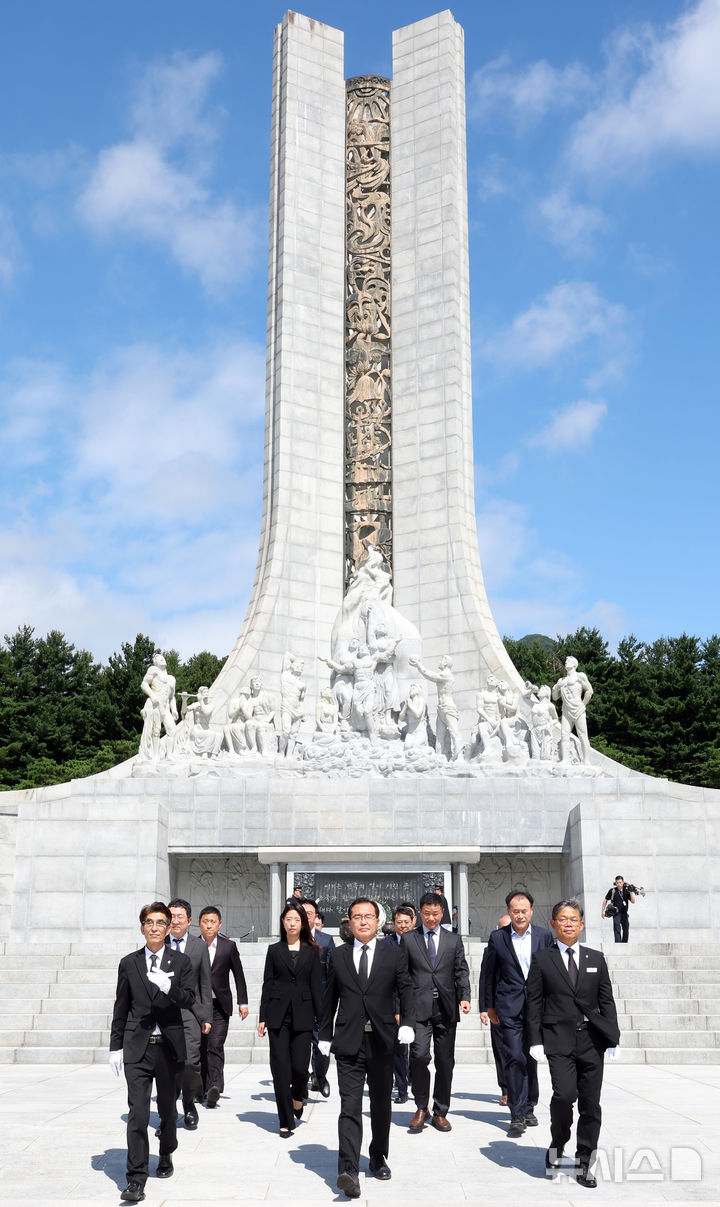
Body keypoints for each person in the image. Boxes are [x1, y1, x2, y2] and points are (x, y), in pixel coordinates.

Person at [319, 897, 414, 1198]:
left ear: (377, 921)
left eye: (368, 916)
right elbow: (329, 996)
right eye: (357, 917)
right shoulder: (339, 954)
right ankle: (348, 1168)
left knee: (381, 1103)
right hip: (349, 1040)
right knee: (349, 1106)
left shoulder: (393, 952)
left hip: (382, 1040)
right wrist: (324, 1034)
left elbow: (406, 989)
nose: (363, 921)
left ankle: (377, 1156)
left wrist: (408, 1023)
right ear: (349, 922)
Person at [527, 898, 620, 1189]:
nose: (568, 924)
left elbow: (606, 1000)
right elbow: (534, 1002)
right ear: (553, 924)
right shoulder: (543, 959)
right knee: (564, 1096)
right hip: (558, 1040)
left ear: (582, 925)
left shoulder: (596, 958)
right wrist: (535, 1040)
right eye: (563, 919)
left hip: (592, 1041)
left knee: (591, 1105)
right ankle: (558, 1142)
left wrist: (613, 1037)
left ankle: (583, 1163)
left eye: (573, 919)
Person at [109, 901, 195, 1203]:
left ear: (169, 927)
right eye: (149, 922)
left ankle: (167, 1150)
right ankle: (136, 1178)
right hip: (138, 1047)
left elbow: (189, 999)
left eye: (160, 922)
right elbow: (121, 1007)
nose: (155, 927)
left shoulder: (181, 962)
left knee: (168, 1111)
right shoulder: (129, 963)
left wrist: (169, 988)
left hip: (169, 1047)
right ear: (142, 927)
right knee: (138, 1113)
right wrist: (115, 1047)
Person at [477, 889, 552, 1137]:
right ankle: (517, 1113)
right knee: (513, 1057)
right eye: (515, 911)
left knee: (531, 1057)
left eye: (524, 911)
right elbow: (488, 973)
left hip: (536, 1008)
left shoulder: (543, 936)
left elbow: (551, 972)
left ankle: (530, 1106)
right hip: (508, 1006)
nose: (520, 915)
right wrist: (487, 1006)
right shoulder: (498, 937)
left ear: (531, 911)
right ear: (509, 912)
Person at [405, 891, 471, 1134]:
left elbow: (461, 970)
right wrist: (400, 1008)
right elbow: (402, 975)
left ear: (442, 913)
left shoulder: (453, 940)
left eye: (435, 913)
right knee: (419, 1056)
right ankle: (421, 1106)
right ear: (419, 913)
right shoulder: (409, 939)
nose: (431, 918)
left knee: (445, 1061)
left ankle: (441, 1111)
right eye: (426, 914)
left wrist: (464, 996)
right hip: (418, 1008)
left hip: (446, 1007)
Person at [258, 903, 323, 1136]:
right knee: (280, 1070)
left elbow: (317, 987)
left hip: (303, 1015)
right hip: (278, 1016)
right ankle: (285, 1120)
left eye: (297, 919)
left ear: (303, 923)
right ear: (283, 922)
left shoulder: (312, 951)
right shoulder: (274, 950)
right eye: (288, 919)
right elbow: (268, 984)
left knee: (299, 1068)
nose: (292, 923)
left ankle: (298, 1096)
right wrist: (262, 1016)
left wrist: (323, 1019)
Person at [166, 898, 213, 1130]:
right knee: (166, 1065)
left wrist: (206, 1017)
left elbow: (205, 984)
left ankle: (188, 1104)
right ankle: (168, 1113)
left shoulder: (199, 946)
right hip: (163, 1012)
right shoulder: (159, 943)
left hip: (190, 1013)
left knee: (190, 1062)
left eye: (180, 917)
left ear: (189, 920)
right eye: (171, 917)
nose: (175, 921)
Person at [197, 905, 249, 1107]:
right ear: (199, 924)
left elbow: (239, 975)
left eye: (213, 922)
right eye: (205, 922)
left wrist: (243, 1002)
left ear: (219, 924)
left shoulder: (228, 947)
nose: (209, 925)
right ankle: (201, 1087)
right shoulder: (193, 946)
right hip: (199, 1006)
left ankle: (214, 1087)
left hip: (220, 1006)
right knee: (201, 1047)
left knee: (215, 1045)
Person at [298, 897, 335, 1098]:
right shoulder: (289, 940)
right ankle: (300, 1083)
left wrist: (333, 1001)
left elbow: (332, 974)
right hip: (296, 1003)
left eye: (309, 913)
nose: (305, 917)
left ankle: (320, 1076)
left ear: (315, 916)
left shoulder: (326, 941)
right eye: (301, 913)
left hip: (320, 1003)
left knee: (322, 1044)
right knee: (299, 1047)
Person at [479, 913, 511, 1106]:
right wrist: (484, 1007)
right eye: (502, 928)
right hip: (497, 1007)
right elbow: (485, 978)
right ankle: (505, 1089)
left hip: (520, 1007)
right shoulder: (491, 948)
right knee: (500, 1049)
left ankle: (521, 1088)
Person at [383, 905, 415, 1104]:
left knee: (418, 1051)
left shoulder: (419, 940)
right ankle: (402, 1089)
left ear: (413, 922)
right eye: (399, 922)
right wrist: (396, 1009)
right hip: (394, 1002)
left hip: (416, 1001)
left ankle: (414, 1083)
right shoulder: (386, 944)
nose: (403, 926)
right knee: (399, 1049)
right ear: (393, 924)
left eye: (406, 922)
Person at [551, 656, 594, 763]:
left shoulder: (580, 676)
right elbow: (555, 698)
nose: (566, 662)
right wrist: (556, 688)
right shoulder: (561, 680)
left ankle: (586, 760)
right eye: (565, 661)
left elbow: (589, 691)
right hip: (566, 710)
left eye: (568, 661)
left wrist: (583, 704)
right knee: (564, 735)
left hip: (578, 708)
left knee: (583, 735)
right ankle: (565, 759)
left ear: (574, 664)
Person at [139, 653, 178, 760]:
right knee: (156, 731)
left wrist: (174, 709)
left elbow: (172, 697)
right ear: (155, 663)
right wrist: (152, 695)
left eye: (163, 658)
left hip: (165, 707)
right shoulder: (153, 670)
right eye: (159, 659)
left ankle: (169, 755)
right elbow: (144, 684)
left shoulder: (171, 679)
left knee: (172, 730)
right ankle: (155, 755)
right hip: (155, 705)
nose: (162, 659)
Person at [602, 875, 635, 943]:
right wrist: (602, 911)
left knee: (626, 929)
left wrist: (631, 892)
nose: (619, 884)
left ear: (623, 882)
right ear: (616, 883)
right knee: (617, 929)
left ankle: (624, 943)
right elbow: (605, 900)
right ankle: (618, 944)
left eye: (620, 882)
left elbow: (633, 901)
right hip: (616, 913)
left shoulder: (626, 891)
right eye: (617, 883)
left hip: (624, 913)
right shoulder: (613, 891)